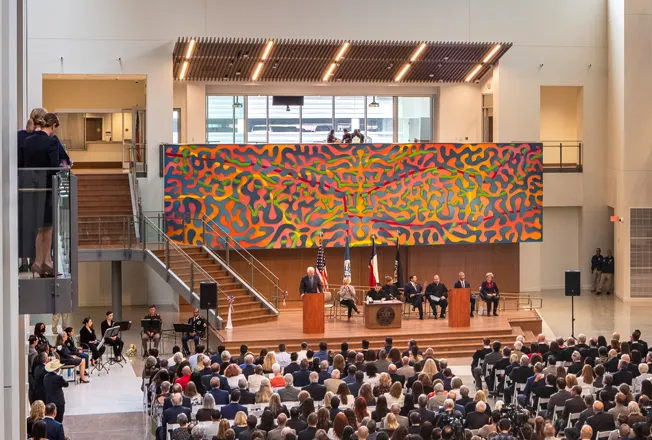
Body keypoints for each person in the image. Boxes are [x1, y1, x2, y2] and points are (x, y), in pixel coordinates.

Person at [21, 112, 60, 278]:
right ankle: (45, 261)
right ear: (52, 126)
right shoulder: (51, 142)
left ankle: (40, 262)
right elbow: (55, 167)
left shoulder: (27, 141)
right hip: (48, 189)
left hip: (30, 189)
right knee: (48, 227)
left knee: (40, 227)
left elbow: (23, 163)